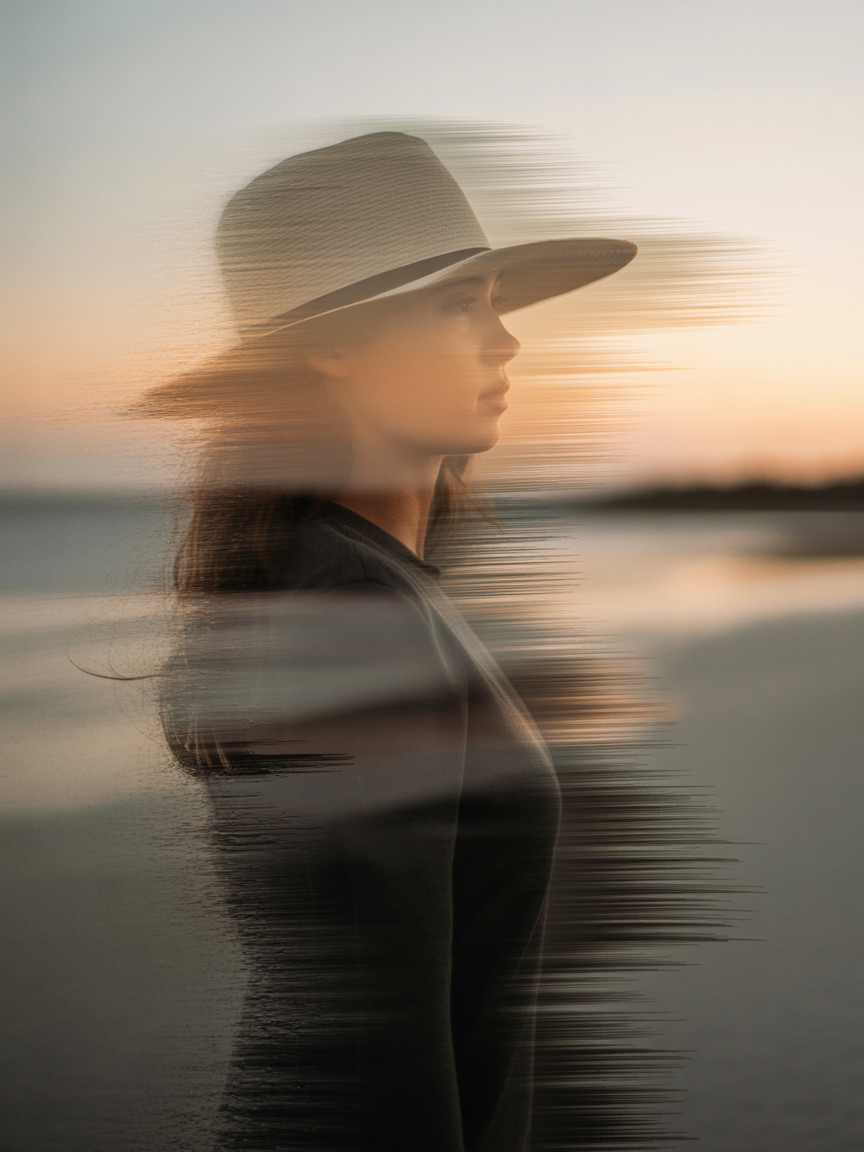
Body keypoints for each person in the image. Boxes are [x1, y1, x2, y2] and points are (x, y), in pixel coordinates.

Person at [151, 130, 637, 1151]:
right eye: (461, 305)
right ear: (336, 342)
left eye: (497, 301)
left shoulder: (376, 588)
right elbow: (375, 1053)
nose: (505, 342)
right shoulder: (347, 618)